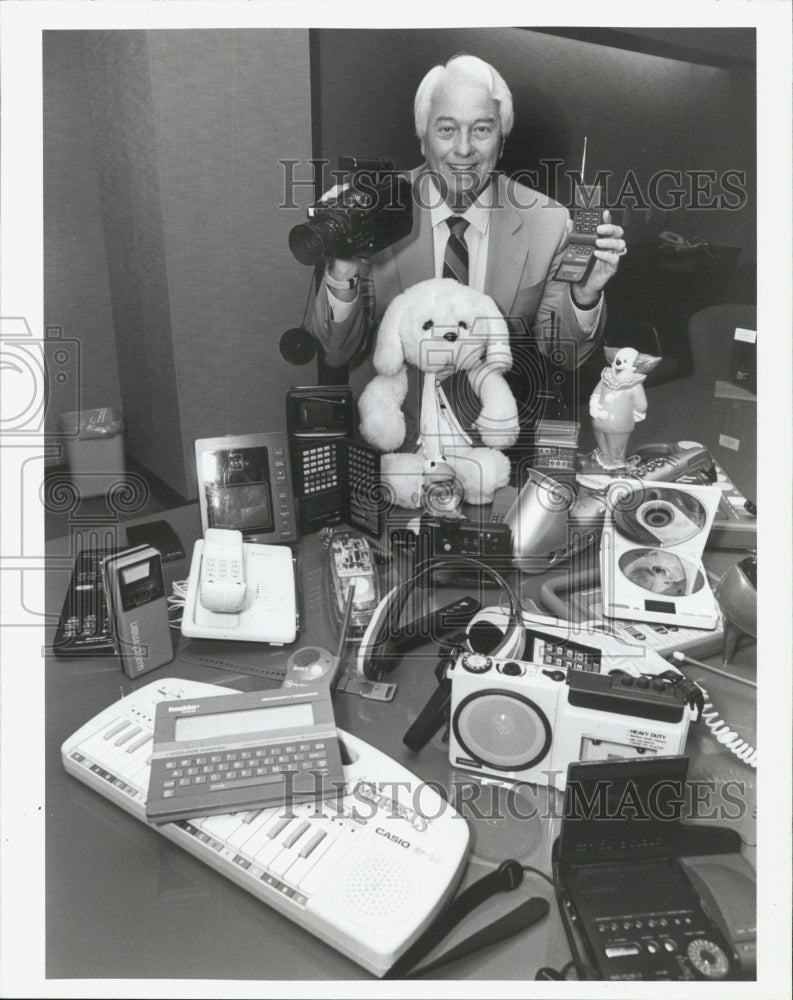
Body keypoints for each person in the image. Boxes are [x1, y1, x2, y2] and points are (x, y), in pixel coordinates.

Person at [310, 53, 626, 397]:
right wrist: (342, 267)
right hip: (388, 432)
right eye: (447, 129)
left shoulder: (546, 222)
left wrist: (584, 294)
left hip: (493, 431)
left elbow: (563, 353)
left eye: (482, 130)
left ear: (501, 141)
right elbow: (337, 351)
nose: (464, 149)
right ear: (422, 139)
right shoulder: (372, 208)